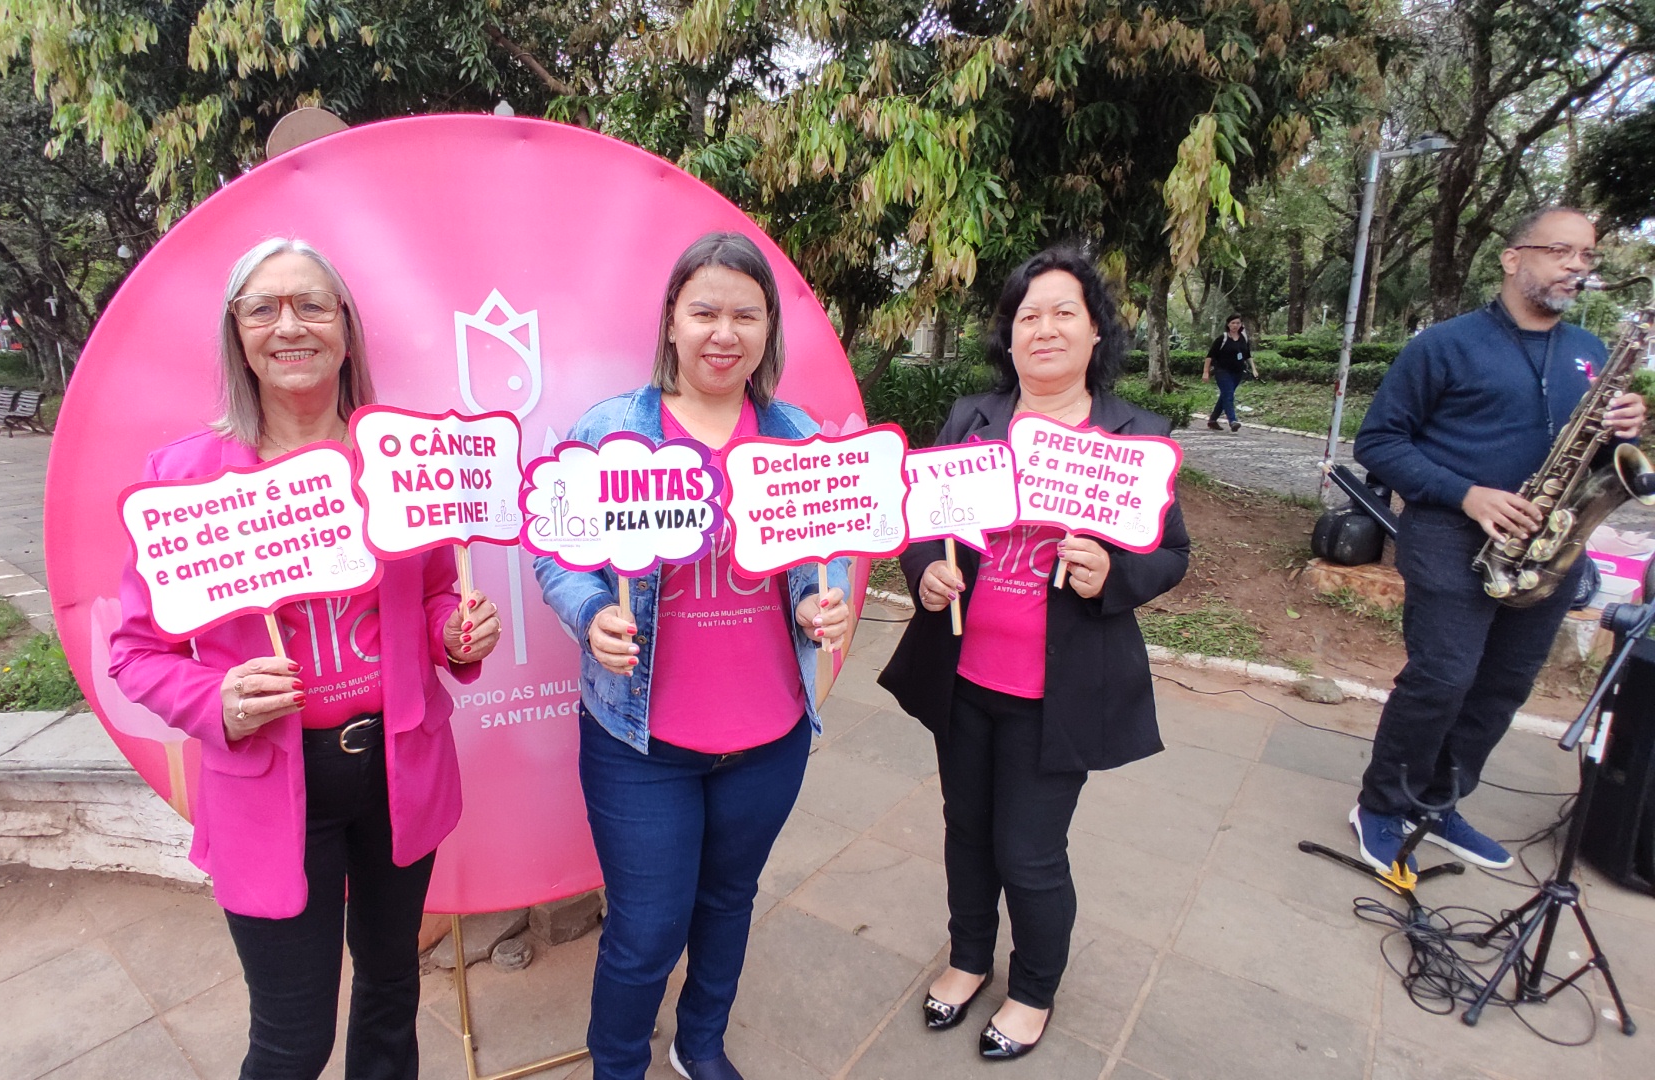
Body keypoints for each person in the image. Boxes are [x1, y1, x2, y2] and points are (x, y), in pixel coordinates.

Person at [108, 237, 504, 1080]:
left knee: (393, 989)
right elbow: (136, 652)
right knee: (293, 1040)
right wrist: (215, 698)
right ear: (237, 334)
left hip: (398, 774)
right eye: (263, 308)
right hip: (267, 790)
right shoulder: (186, 478)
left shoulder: (399, 460)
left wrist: (452, 631)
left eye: (312, 305)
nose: (290, 326)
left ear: (346, 330)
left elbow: (437, 594)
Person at [533, 232, 852, 1080]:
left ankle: (699, 1042)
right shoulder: (611, 432)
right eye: (704, 311)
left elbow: (825, 552)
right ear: (671, 320)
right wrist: (591, 611)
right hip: (640, 743)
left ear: (768, 328)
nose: (724, 333)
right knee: (644, 930)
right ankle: (617, 1066)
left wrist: (820, 599)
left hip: (770, 736)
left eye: (745, 315)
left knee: (729, 903)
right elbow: (556, 553)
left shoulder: (795, 437)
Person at [878, 245, 1190, 1062]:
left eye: (1063, 313)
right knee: (966, 830)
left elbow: (1172, 554)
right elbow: (919, 522)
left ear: (1096, 333)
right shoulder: (971, 419)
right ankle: (968, 957)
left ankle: (1034, 989)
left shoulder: (1133, 437)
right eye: (1028, 316)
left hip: (1059, 694)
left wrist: (1112, 575)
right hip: (963, 678)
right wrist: (924, 572)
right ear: (1009, 338)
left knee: (1029, 851)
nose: (1044, 328)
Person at [1350, 206, 1644, 874]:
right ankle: (1381, 806)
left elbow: (1598, 460)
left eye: (1587, 255)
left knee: (1502, 686)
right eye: (1561, 250)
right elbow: (1379, 442)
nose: (1576, 266)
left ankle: (1438, 804)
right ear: (1513, 258)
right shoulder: (1443, 345)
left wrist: (1624, 430)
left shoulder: (1591, 353)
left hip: (1550, 548)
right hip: (1449, 534)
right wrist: (1467, 493)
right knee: (1443, 678)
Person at [1203, 314, 1256, 431]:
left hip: (1237, 372)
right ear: (1228, 324)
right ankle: (1232, 421)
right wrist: (1205, 372)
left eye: (1238, 323)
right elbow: (1210, 356)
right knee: (1229, 394)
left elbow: (1247, 355)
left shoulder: (1244, 338)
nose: (1235, 325)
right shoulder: (1222, 338)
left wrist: (1254, 369)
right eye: (1233, 323)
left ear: (1241, 324)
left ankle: (1212, 420)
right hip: (1222, 371)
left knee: (1225, 395)